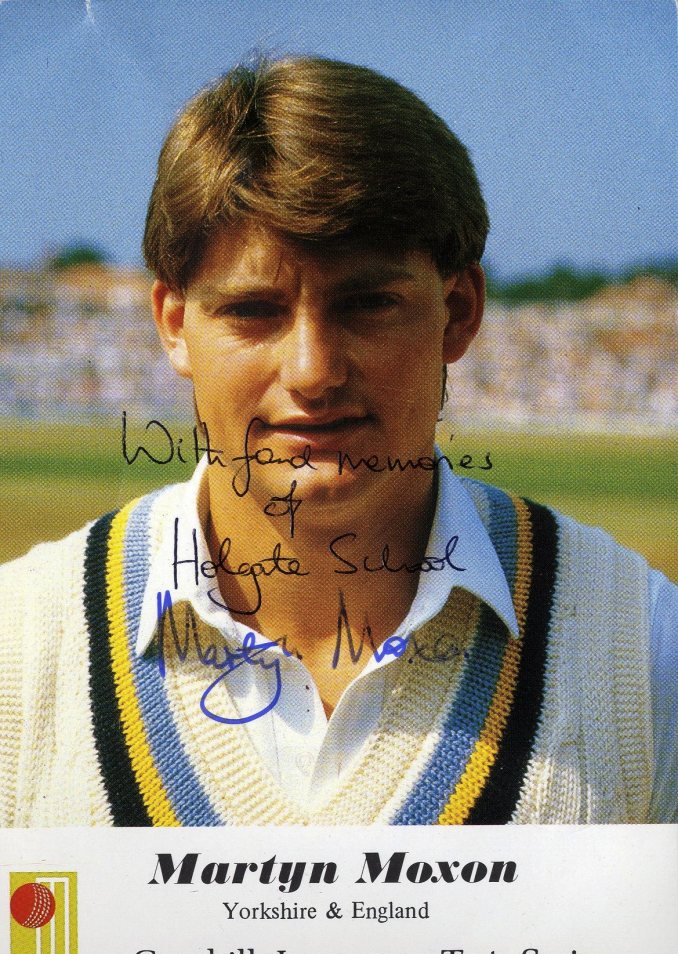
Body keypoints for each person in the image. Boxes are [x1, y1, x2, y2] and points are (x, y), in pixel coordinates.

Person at [0, 56, 675, 827]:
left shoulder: (644, 654)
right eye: (254, 310)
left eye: (369, 304)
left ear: (458, 311)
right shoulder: (18, 651)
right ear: (174, 324)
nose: (313, 371)